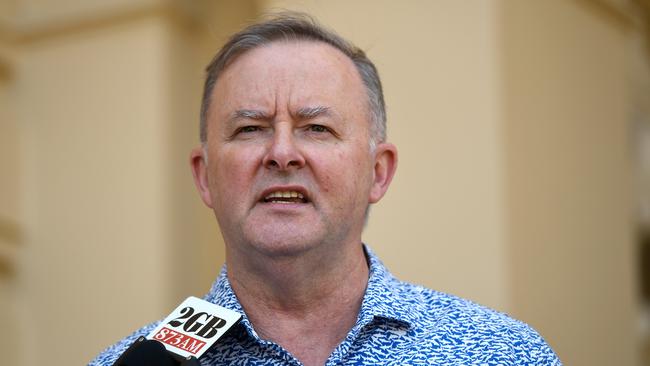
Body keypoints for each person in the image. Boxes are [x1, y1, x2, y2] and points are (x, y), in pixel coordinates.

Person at [90, 13, 561, 366]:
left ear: (378, 172)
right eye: (250, 128)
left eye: (316, 128)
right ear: (203, 176)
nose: (281, 153)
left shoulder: (502, 353)